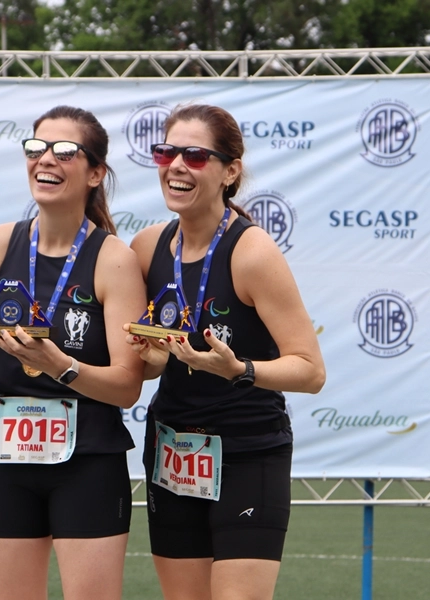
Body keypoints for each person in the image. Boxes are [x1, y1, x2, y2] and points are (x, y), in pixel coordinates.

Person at [0, 105, 146, 600]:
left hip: (88, 462)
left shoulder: (114, 259)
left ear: (95, 173)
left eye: (65, 151)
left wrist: (59, 366)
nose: (46, 159)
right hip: (6, 460)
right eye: (36, 147)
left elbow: (128, 386)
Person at [124, 104, 326, 600]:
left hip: (246, 453)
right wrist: (151, 360)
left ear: (230, 171)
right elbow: (145, 366)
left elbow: (310, 370)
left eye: (195, 156)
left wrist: (240, 369)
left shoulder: (252, 252)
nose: (176, 165)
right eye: (166, 152)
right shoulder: (146, 248)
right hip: (172, 451)